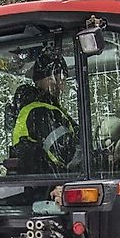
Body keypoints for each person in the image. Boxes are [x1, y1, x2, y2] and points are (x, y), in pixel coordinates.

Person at [9, 46, 79, 175]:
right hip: (46, 188)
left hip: (47, 185)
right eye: (54, 77)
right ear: (39, 80)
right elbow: (67, 154)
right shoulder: (39, 111)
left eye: (63, 78)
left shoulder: (52, 109)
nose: (60, 84)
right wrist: (97, 160)